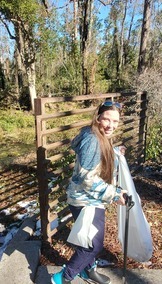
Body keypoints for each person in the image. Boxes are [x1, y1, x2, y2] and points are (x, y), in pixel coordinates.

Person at [51, 100, 127, 284]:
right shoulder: (92, 139)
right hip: (86, 200)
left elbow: (96, 159)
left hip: (89, 198)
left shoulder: (96, 134)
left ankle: (88, 271)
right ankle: (62, 278)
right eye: (107, 119)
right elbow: (88, 178)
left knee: (88, 240)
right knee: (94, 244)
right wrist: (115, 194)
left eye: (115, 122)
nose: (111, 125)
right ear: (98, 117)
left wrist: (115, 151)